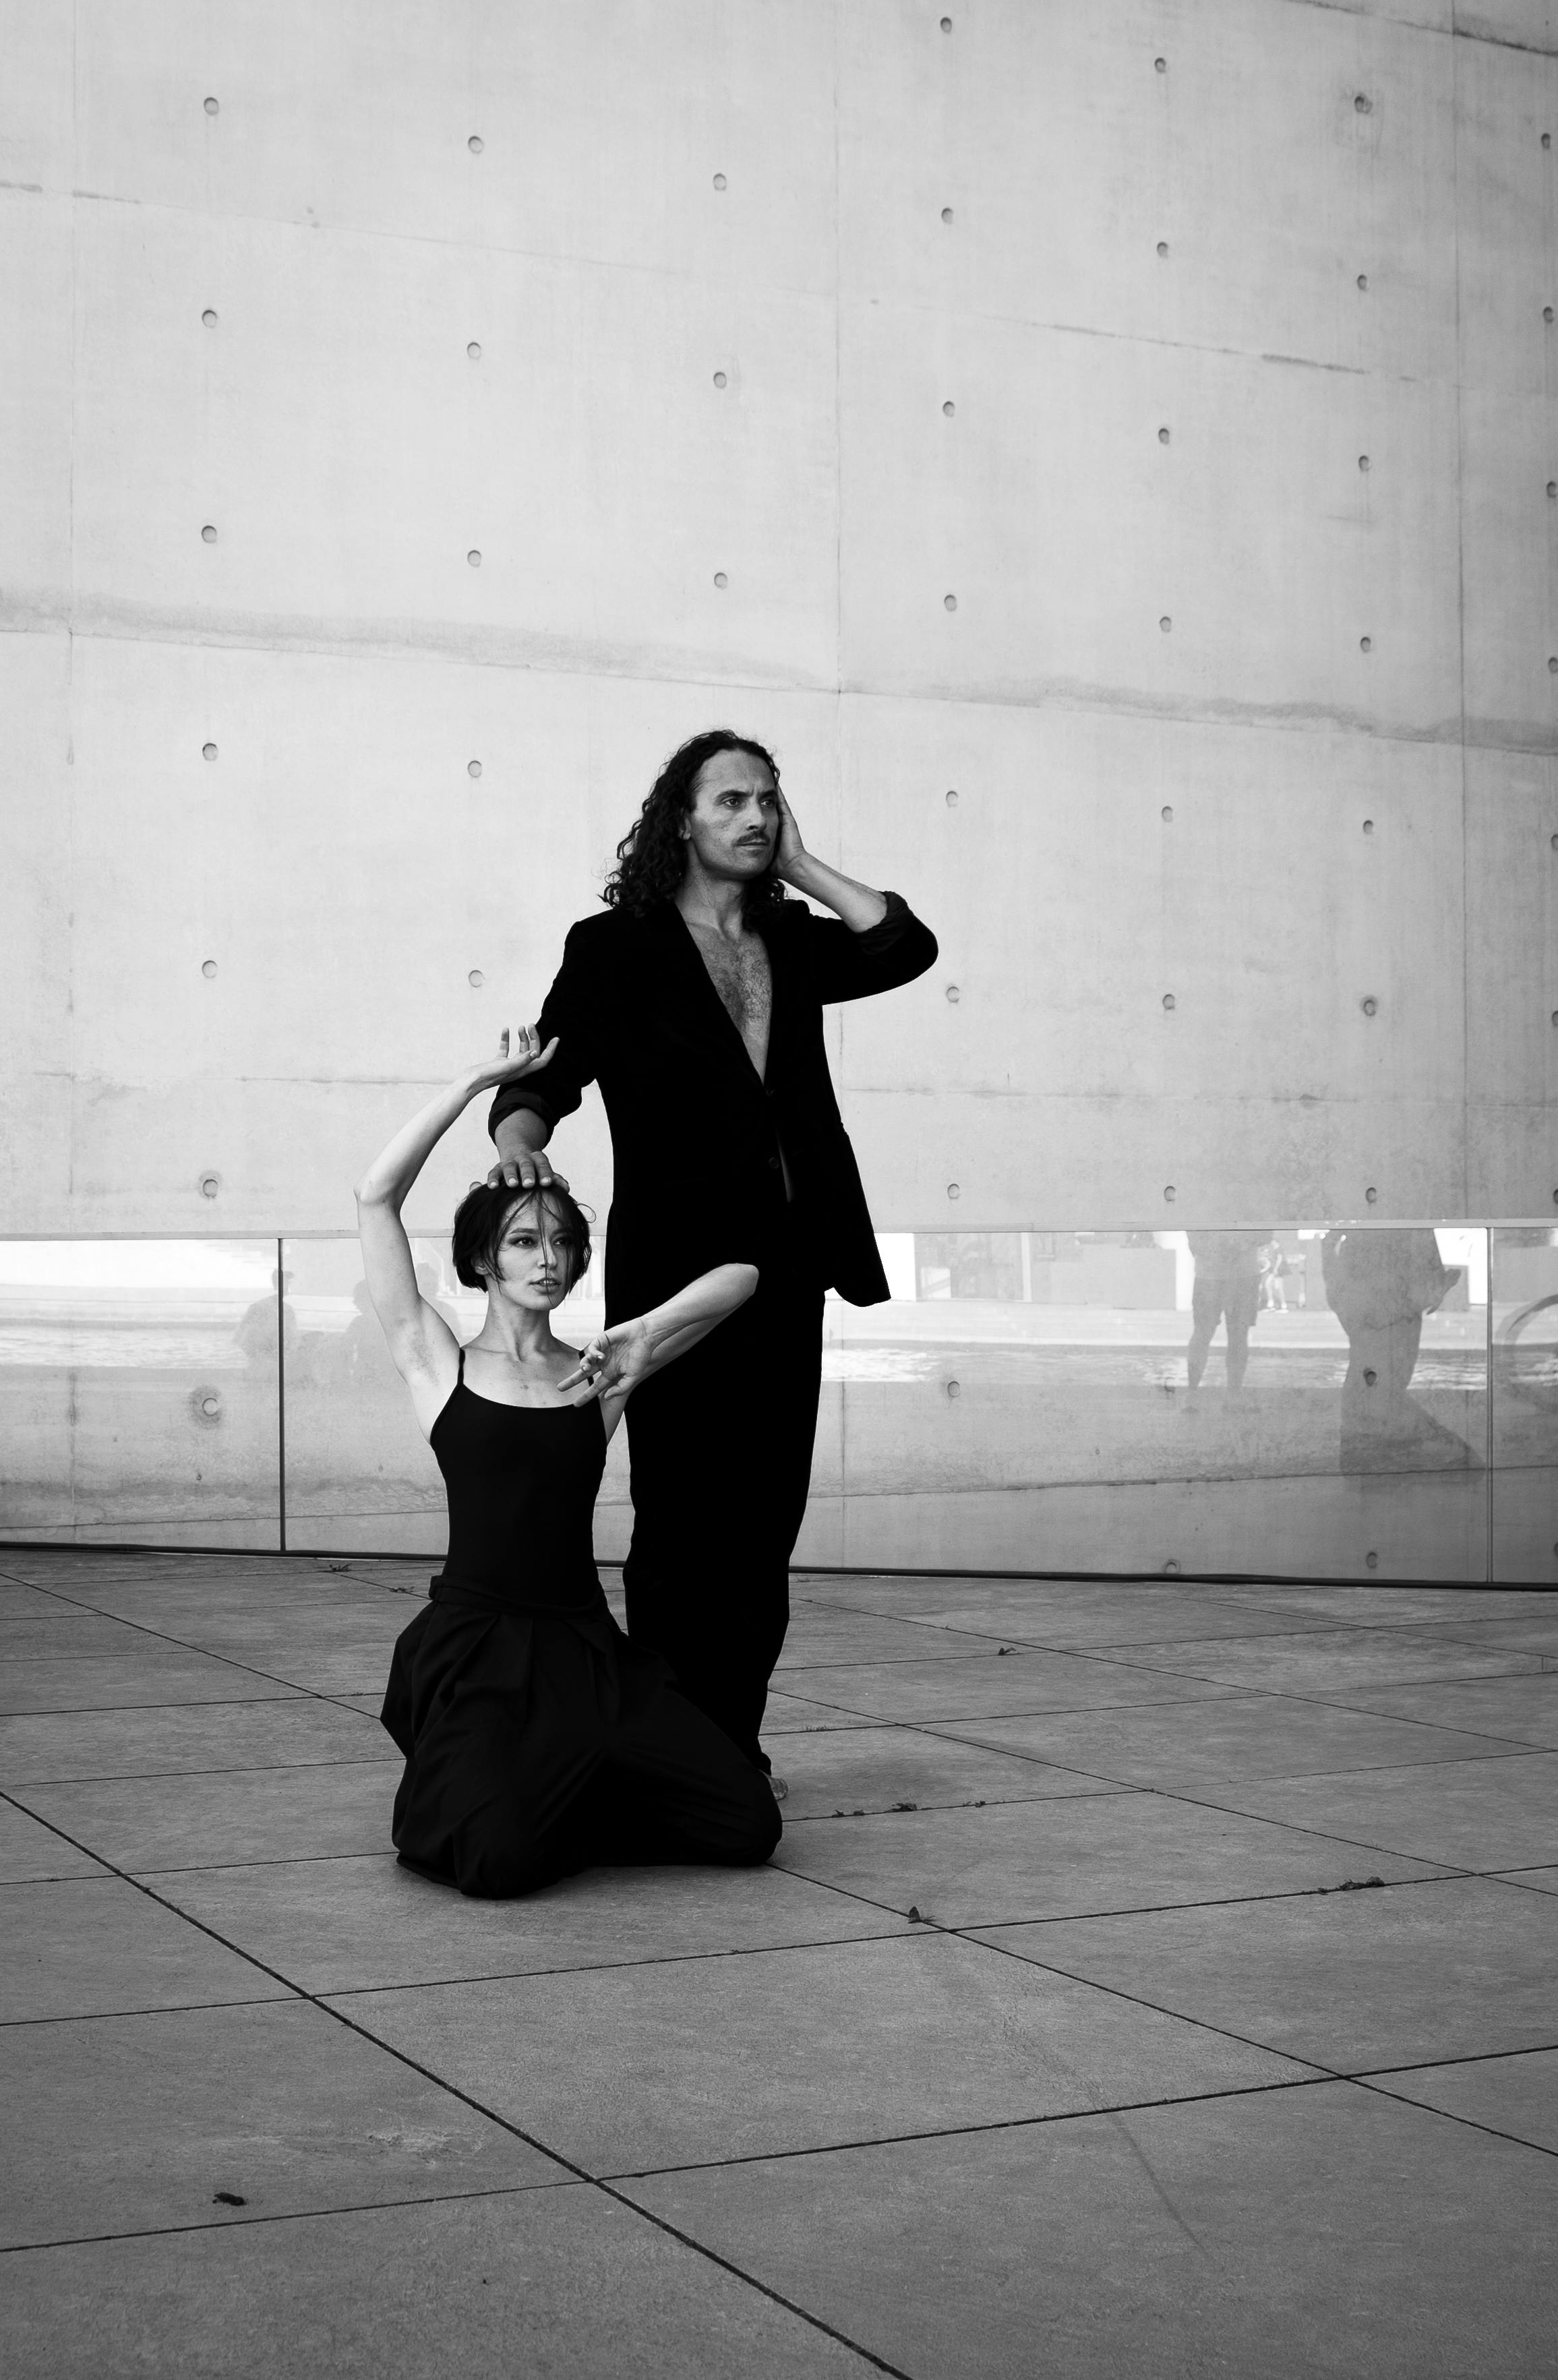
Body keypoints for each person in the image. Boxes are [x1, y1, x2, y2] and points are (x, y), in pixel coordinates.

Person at [487, 730, 936, 1781]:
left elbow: (901, 947)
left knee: (762, 1517)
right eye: (730, 799)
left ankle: (729, 1737)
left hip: (790, 1262)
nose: (753, 816)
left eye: (768, 802)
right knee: (681, 1514)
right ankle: (673, 1736)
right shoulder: (613, 946)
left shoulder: (792, 938)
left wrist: (801, 866)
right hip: (676, 1268)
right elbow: (548, 1074)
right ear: (678, 818)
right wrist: (518, 1144)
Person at [355, 1025, 781, 1899]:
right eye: (521, 1240)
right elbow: (375, 1196)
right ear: (481, 1257)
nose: (545, 1258)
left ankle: (563, 1798)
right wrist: (476, 1080)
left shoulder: (600, 1372)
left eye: (558, 1242)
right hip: (478, 1651)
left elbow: (740, 1275)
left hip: (587, 1654)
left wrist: (644, 1331)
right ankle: (503, 1796)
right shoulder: (439, 1362)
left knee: (748, 1824)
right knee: (497, 1864)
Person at [1185, 1231, 1267, 1392]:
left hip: (1214, 1274)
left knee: (1204, 1335)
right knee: (1236, 1337)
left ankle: (1193, 1394)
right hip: (1238, 1274)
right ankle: (1232, 1395)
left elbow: (1192, 1233)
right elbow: (1266, 1233)